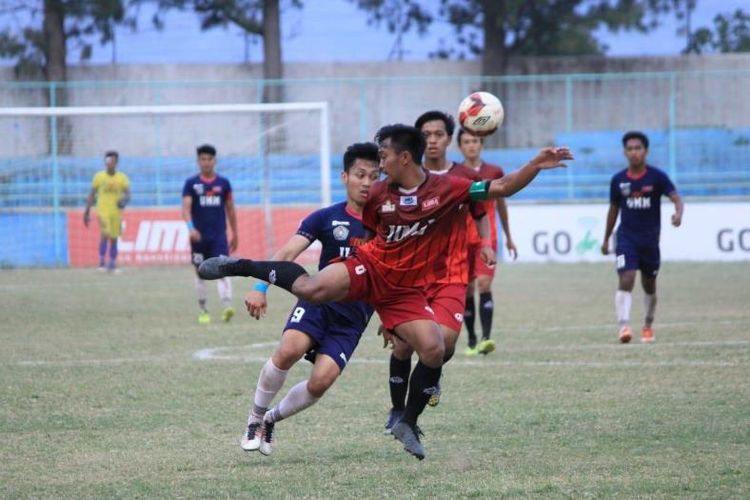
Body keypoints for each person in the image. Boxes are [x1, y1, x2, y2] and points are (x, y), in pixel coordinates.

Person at [199, 124, 572, 460]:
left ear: (404, 157)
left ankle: (406, 421)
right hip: (370, 267)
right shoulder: (378, 194)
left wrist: (535, 164)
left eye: (383, 157)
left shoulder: (449, 189)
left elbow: (501, 187)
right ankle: (240, 265)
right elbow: (370, 236)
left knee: (434, 349)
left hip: (400, 289)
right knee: (311, 289)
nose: (377, 167)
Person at [240, 142, 379, 456]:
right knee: (288, 350)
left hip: (354, 317)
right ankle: (255, 417)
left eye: (374, 175)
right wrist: (260, 288)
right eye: (360, 174)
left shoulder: (386, 225)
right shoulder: (325, 218)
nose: (367, 182)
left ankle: (272, 420)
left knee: (321, 382)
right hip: (319, 303)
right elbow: (288, 254)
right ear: (345, 176)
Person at [384, 111, 494, 434]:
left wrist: (486, 242)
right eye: (426, 134)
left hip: (451, 273)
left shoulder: (463, 178)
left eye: (438, 134)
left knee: (444, 346)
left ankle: (431, 374)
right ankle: (398, 409)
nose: (432, 140)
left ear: (449, 139)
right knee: (403, 345)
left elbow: (480, 212)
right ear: (418, 140)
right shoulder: (402, 177)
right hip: (411, 276)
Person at [601, 131, 683, 344]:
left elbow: (676, 198)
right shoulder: (618, 180)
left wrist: (678, 213)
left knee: (649, 285)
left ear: (645, 151)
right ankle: (624, 326)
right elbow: (613, 209)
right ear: (625, 152)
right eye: (630, 149)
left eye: (638, 148)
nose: (634, 152)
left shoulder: (657, 177)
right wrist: (606, 238)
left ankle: (647, 324)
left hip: (650, 240)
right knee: (626, 278)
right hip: (626, 238)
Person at [457, 129, 518, 356]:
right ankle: (472, 338)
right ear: (460, 146)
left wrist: (509, 237)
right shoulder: (456, 173)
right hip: (461, 240)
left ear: (481, 145)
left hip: (486, 239)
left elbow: (501, 203)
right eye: (466, 142)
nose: (471, 145)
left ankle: (486, 338)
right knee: (468, 289)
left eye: (475, 141)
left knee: (484, 284)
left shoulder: (494, 171)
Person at [182, 144, 238, 325]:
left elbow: (230, 209)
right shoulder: (191, 184)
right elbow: (186, 209)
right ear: (198, 161)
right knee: (200, 273)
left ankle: (227, 306)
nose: (206, 163)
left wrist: (235, 232)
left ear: (214, 161)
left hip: (219, 237)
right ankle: (203, 309)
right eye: (203, 159)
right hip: (199, 238)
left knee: (223, 269)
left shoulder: (223, 184)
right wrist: (191, 228)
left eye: (209, 159)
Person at [83, 151, 130, 273]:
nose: (109, 163)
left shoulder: (122, 178)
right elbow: (92, 195)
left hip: (116, 212)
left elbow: (128, 194)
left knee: (114, 237)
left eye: (112, 161)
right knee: (105, 232)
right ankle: (101, 262)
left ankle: (112, 263)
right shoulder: (99, 177)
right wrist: (87, 212)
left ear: (116, 162)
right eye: (107, 161)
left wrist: (124, 200)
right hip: (102, 211)